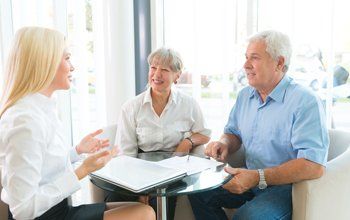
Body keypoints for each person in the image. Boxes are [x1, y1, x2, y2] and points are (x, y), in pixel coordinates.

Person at [0, 27, 155, 220]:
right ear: (45, 62)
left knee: (139, 207)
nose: (72, 67)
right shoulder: (24, 121)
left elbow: (41, 166)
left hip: (58, 210)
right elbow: (23, 210)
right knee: (144, 214)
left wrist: (77, 151)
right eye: (67, 58)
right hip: (42, 216)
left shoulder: (41, 108)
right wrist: (82, 170)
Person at [188, 30, 329, 220]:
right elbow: (233, 133)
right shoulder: (246, 95)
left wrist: (258, 177)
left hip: (286, 187)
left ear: (279, 63)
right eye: (246, 58)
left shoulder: (305, 102)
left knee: (247, 217)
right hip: (249, 177)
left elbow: (313, 165)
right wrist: (224, 143)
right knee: (198, 192)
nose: (245, 65)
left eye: (254, 58)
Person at [105, 47, 211, 220]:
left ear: (177, 75)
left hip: (174, 170)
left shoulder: (189, 104)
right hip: (137, 169)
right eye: (153, 68)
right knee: (113, 201)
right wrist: (139, 187)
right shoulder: (131, 107)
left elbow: (205, 133)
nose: (157, 74)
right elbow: (126, 154)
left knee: (160, 205)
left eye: (164, 70)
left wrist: (187, 143)